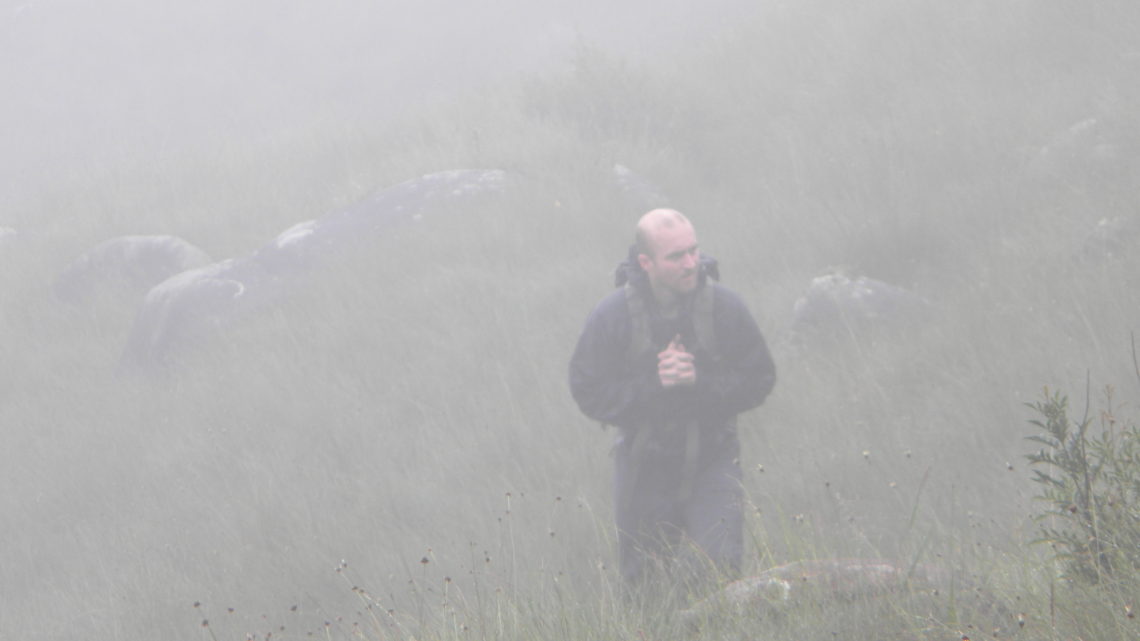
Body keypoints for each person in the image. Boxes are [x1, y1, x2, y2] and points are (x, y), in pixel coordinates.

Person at [569, 209, 777, 595]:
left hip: (713, 460)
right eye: (676, 256)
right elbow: (587, 389)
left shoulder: (725, 308)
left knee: (719, 576)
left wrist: (698, 381)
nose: (691, 263)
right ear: (646, 262)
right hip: (642, 465)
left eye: (693, 251)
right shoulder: (612, 316)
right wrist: (655, 384)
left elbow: (760, 378)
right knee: (645, 589)